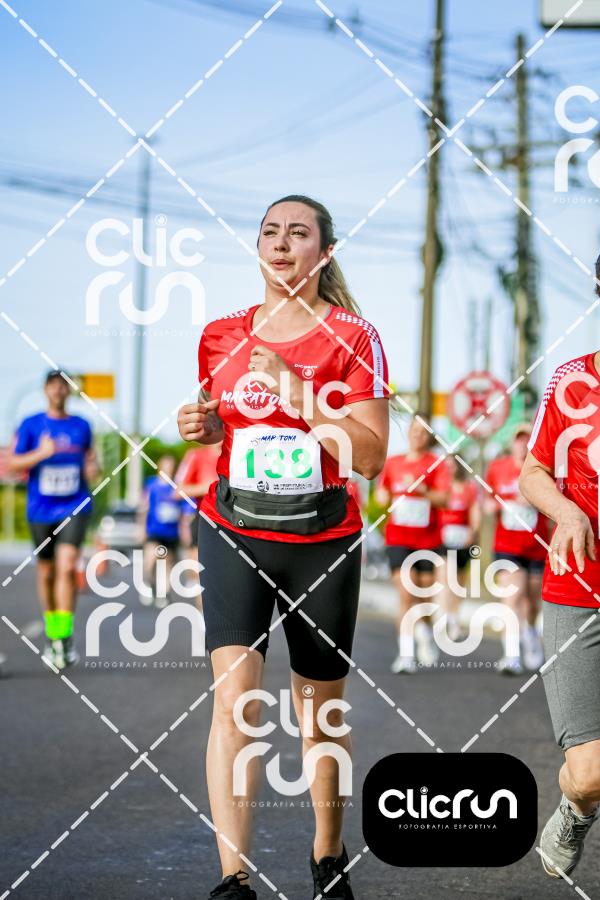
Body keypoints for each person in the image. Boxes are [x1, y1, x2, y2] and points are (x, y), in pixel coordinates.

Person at [177, 195, 389, 900]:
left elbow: (370, 456)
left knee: (317, 713)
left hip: (320, 540)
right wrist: (204, 427)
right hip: (234, 528)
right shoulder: (219, 335)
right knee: (234, 702)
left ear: (323, 253)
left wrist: (297, 390)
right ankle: (232, 877)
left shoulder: (354, 337)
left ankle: (327, 853)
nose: (280, 242)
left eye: (298, 233)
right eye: (270, 231)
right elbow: (230, 424)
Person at [519, 320, 600, 879]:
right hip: (579, 587)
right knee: (590, 774)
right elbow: (534, 473)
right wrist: (566, 511)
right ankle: (577, 807)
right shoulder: (572, 380)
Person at [7, 370, 97, 669]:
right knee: (46, 572)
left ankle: (63, 636)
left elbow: (90, 459)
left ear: (69, 391)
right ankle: (53, 629)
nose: (59, 390)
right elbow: (12, 463)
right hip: (40, 509)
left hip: (75, 505)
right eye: (54, 386)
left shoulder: (81, 425)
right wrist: (41, 453)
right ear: (45, 390)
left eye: (63, 386)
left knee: (67, 566)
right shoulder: (31, 424)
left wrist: (92, 468)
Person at [375, 414, 450, 674]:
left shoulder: (436, 464)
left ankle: (425, 631)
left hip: (428, 540)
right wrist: (382, 495)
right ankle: (406, 655)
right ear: (408, 432)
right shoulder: (393, 463)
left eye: (424, 431)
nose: (418, 435)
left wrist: (422, 491)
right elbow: (382, 491)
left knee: (424, 596)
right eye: (415, 430)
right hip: (398, 538)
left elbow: (444, 499)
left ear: (429, 436)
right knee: (406, 594)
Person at [484, 423, 547, 675]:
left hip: (536, 545)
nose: (522, 444)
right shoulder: (497, 468)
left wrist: (535, 500)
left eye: (527, 440)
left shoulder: (543, 470)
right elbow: (487, 499)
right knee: (511, 597)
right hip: (506, 544)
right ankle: (511, 654)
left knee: (532, 602)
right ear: (512, 443)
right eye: (519, 439)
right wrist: (496, 505)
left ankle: (530, 633)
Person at [439, 456, 481, 641]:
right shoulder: (442, 488)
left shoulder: (469, 488)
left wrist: (473, 532)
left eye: (452, 465)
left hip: (463, 540)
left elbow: (475, 511)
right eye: (446, 466)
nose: (450, 469)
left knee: (459, 584)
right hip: (444, 540)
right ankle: (446, 619)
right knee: (447, 580)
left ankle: (454, 617)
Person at [175, 441, 221, 608]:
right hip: (204, 518)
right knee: (202, 573)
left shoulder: (240, 451)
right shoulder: (195, 455)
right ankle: (203, 616)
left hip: (236, 522)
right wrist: (209, 487)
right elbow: (178, 491)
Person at [139, 453, 185, 608]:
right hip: (154, 529)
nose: (169, 469)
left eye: (171, 466)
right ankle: (149, 583)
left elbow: (184, 511)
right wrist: (141, 528)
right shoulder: (151, 485)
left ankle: (164, 593)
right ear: (160, 467)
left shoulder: (178, 486)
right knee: (150, 559)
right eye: (166, 466)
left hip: (171, 531)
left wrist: (184, 530)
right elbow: (144, 507)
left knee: (167, 562)